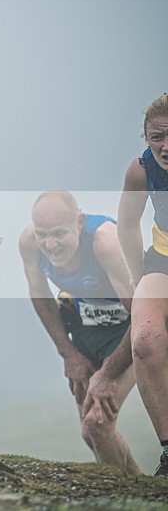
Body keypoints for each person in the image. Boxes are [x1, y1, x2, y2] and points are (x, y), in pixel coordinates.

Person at [19, 190, 140, 474]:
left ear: (79, 223)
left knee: (98, 423)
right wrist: (69, 354)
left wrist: (109, 373)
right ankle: (141, 490)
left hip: (127, 331)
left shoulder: (106, 242)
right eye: (42, 234)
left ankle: (118, 500)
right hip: (85, 329)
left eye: (59, 233)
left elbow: (144, 316)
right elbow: (39, 294)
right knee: (91, 431)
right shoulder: (29, 243)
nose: (50, 244)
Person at [117, 93, 168, 477]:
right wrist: (138, 282)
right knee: (145, 340)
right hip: (162, 260)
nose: (165, 146)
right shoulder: (141, 170)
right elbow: (127, 223)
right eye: (156, 137)